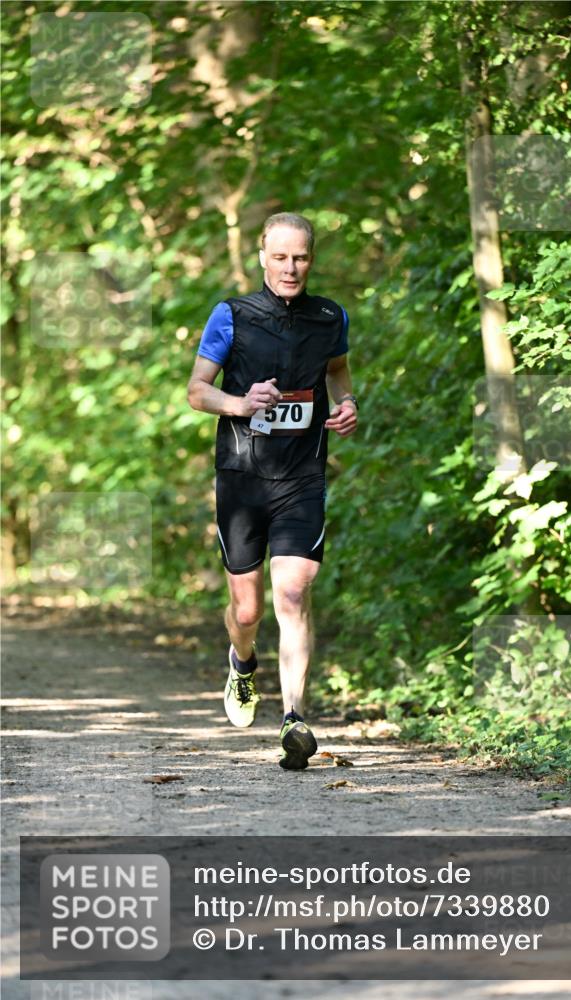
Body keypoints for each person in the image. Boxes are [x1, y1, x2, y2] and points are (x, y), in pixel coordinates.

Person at [187, 212, 358, 770]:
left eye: (301, 257)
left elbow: (337, 371)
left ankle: (294, 719)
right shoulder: (231, 315)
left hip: (302, 476)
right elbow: (196, 392)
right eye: (280, 257)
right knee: (249, 606)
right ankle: (241, 663)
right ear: (262, 256)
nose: (290, 267)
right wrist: (240, 403)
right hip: (241, 477)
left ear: (312, 259)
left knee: (292, 594)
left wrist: (346, 404)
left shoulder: (330, 316)